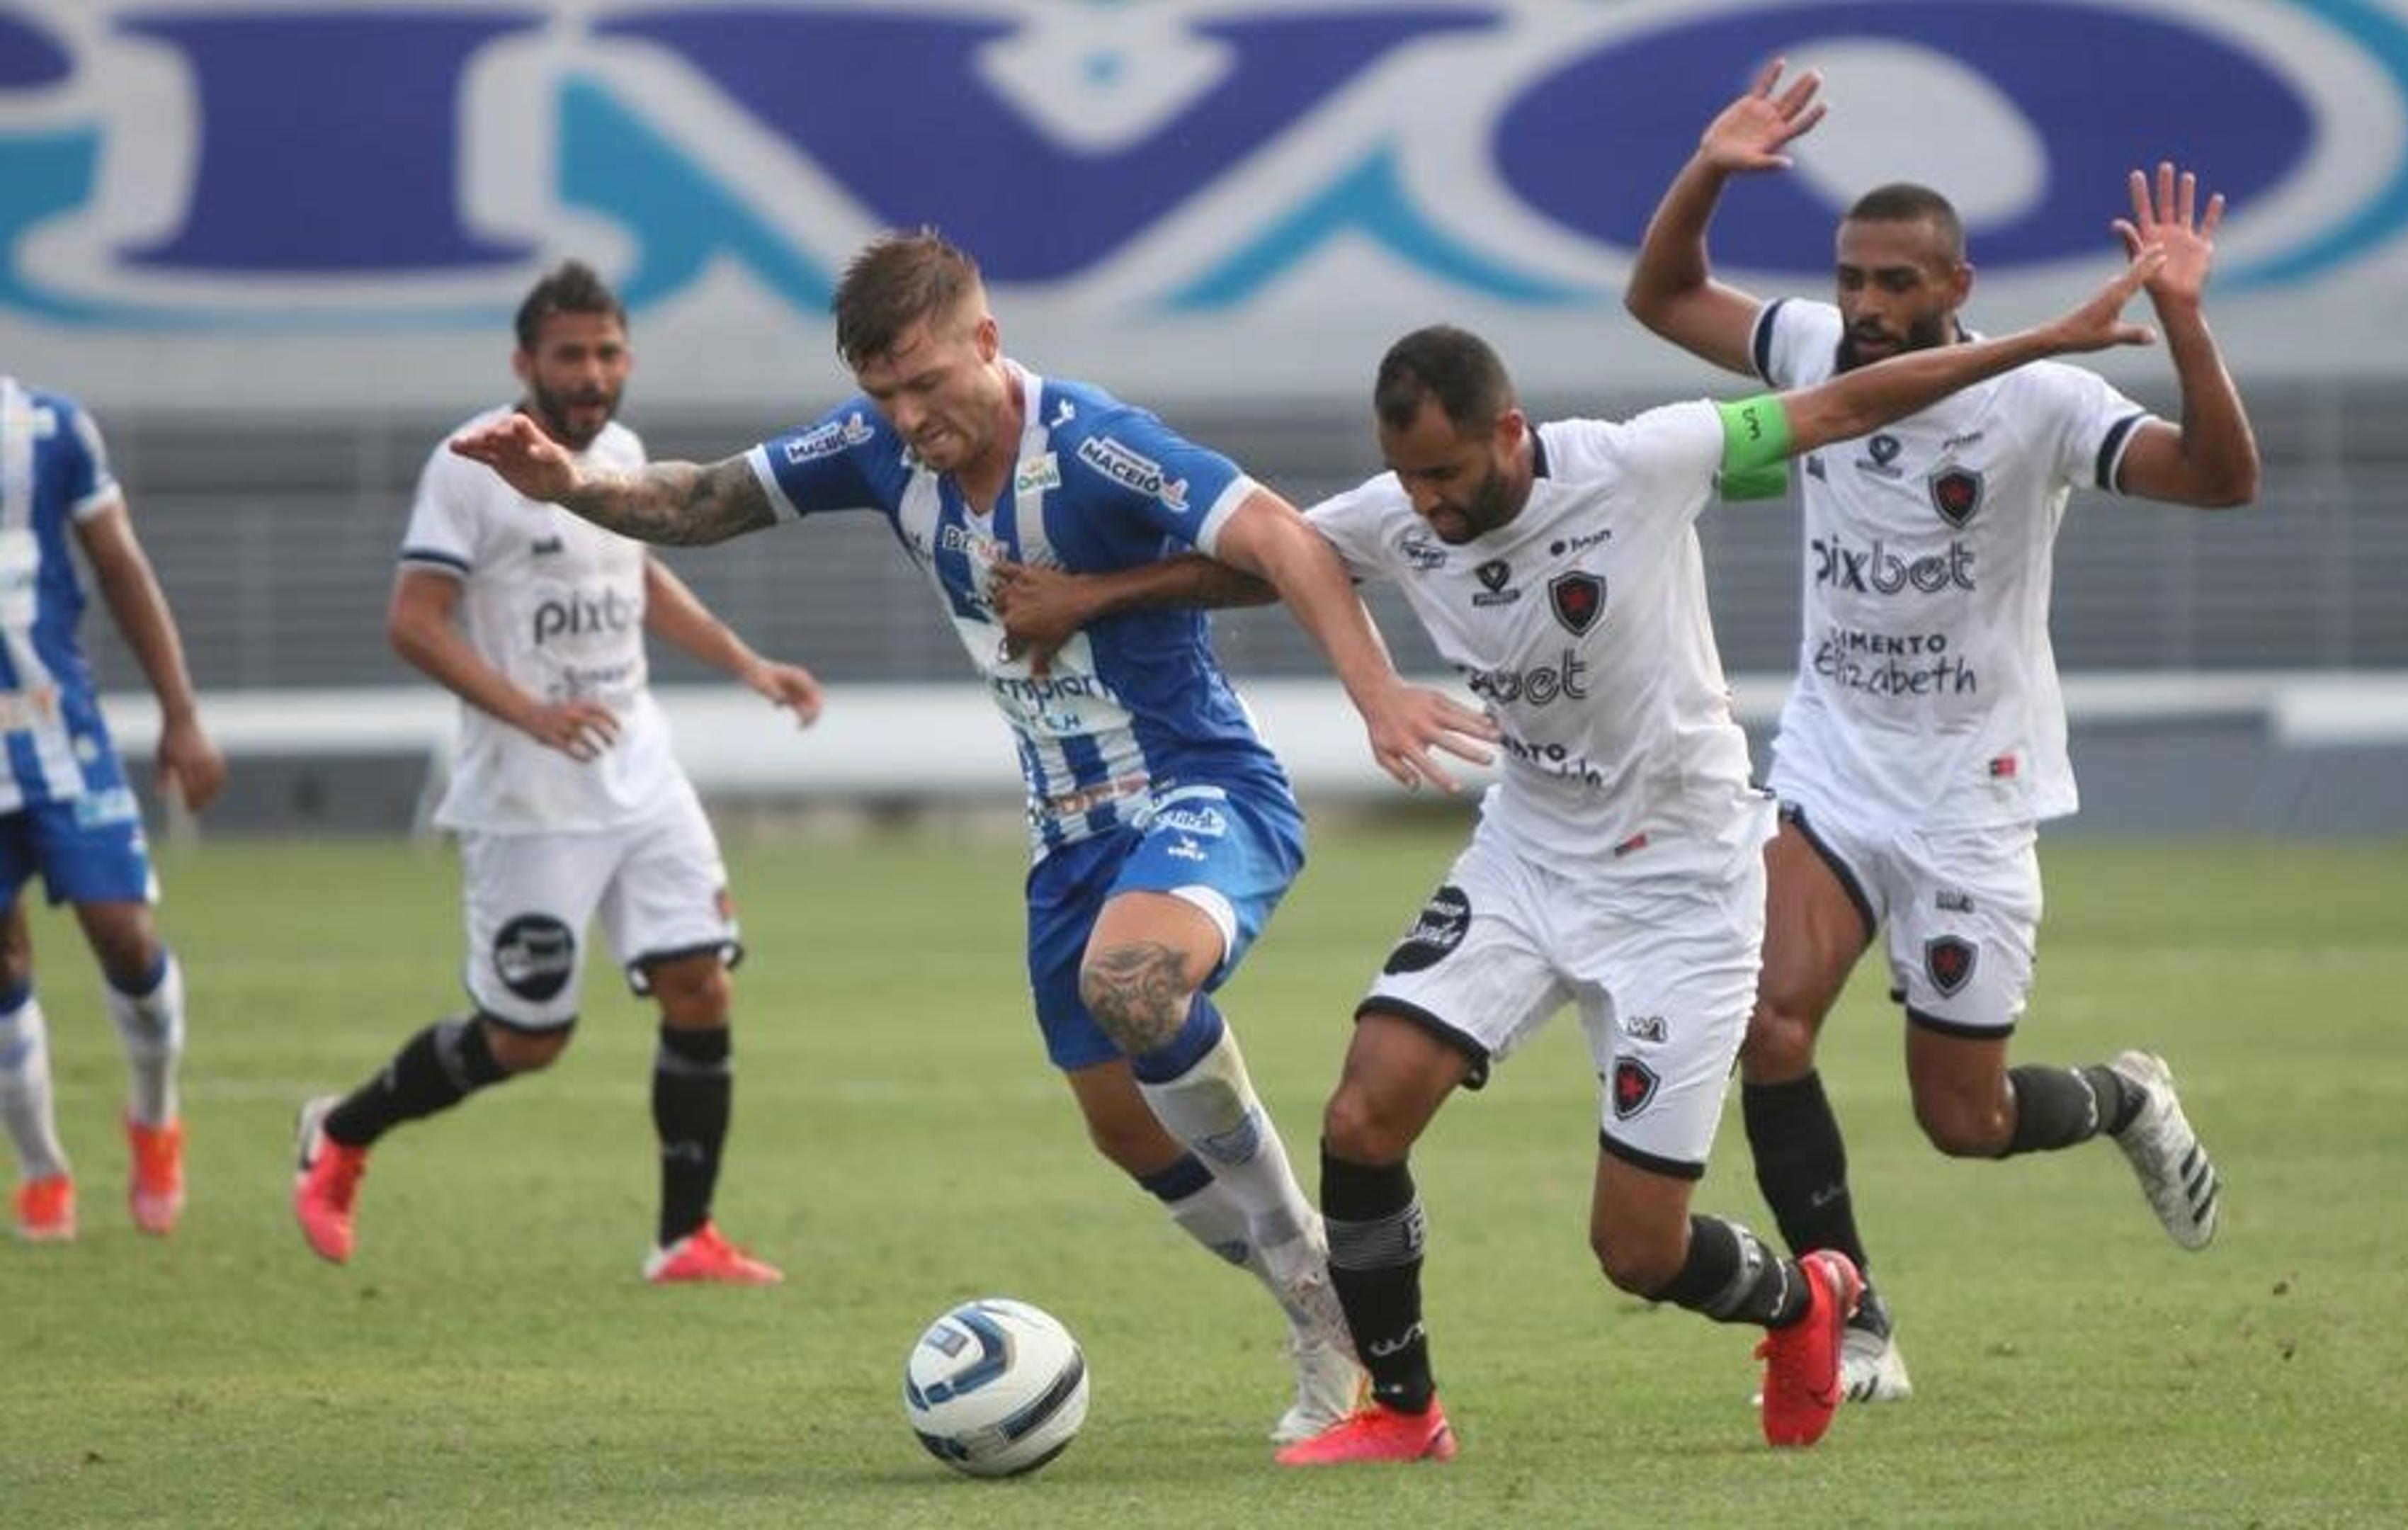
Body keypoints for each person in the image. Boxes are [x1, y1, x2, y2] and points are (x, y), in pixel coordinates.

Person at [992, 257, 2170, 1462]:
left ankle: (1806, 1302)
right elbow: (1262, 562)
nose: (1428, 506)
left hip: (1689, 891)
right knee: (1364, 1109)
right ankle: (1405, 1412)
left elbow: (1851, 406)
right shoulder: (1403, 513)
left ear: (1509, 429)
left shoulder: (1641, 460)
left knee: (1639, 1250)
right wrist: (1091, 597)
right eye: (1407, 478)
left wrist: (2038, 343)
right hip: (1528, 856)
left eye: (1447, 474)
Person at [443, 231, 1493, 1442]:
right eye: (883, 394)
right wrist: (574, 487)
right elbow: (709, 499)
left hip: (1198, 786)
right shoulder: (881, 449)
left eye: (929, 383)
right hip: (1068, 842)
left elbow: (1280, 537)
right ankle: (1315, 1307)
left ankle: (1311, 1271)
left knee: (1134, 985)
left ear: (987, 344)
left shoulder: (1095, 445)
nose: (909, 417)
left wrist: (1373, 691)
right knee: (1121, 1128)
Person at [1624, 61, 2262, 1401]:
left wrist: (2187, 324)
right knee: (1770, 1029)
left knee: (1962, 1122)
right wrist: (1707, 169)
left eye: (1895, 284)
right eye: (1852, 278)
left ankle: (2127, 1099)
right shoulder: (1809, 352)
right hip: (1836, 769)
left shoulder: (2040, 399)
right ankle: (1852, 1320)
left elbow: (2219, 480)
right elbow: (1663, 296)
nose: (1863, 307)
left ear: (1955, 289)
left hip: (1975, 787)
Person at [292, 261, 823, 1285]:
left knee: (699, 984)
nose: (592, 373)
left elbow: (635, 575)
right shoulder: (473, 465)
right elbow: (413, 624)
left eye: (609, 352)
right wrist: (531, 714)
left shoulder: (619, 454)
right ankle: (341, 1130)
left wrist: (746, 663)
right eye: (570, 354)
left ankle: (684, 1239)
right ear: (524, 362)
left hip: (641, 771)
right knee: (527, 1039)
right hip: (529, 796)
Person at [0, 378, 226, 1242]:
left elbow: (120, 563)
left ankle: (155, 1119)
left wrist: (181, 712)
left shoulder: (49, 428)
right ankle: (44, 1169)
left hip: (58, 734)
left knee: (124, 932)